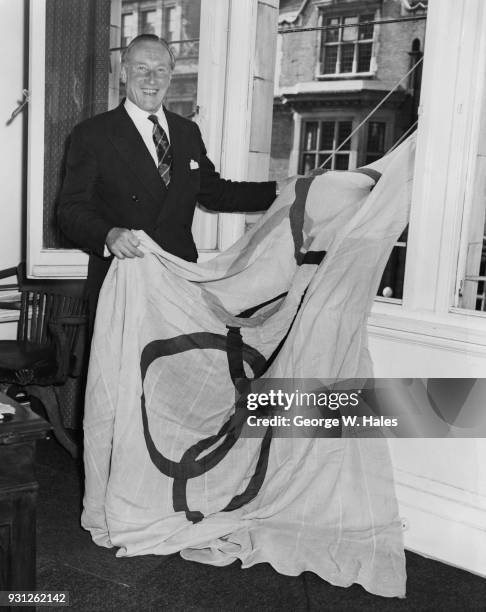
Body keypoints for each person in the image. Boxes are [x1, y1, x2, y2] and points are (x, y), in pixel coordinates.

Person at [58, 34, 278, 329]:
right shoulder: (92, 134)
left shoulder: (187, 132)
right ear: (124, 73)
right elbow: (69, 210)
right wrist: (108, 234)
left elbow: (216, 193)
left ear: (171, 76)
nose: (151, 78)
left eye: (160, 69)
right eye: (141, 68)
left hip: (179, 281)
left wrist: (278, 190)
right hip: (123, 280)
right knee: (125, 374)